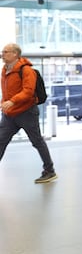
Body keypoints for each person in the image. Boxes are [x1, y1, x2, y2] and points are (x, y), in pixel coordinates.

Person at [0, 43, 57, 183]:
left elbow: (28, 91)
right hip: (10, 115)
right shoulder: (4, 70)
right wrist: (4, 102)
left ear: (15, 54)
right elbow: (7, 92)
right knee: (0, 141)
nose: (2, 54)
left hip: (27, 113)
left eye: (5, 52)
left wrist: (12, 101)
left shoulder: (26, 71)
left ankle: (49, 170)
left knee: (37, 141)